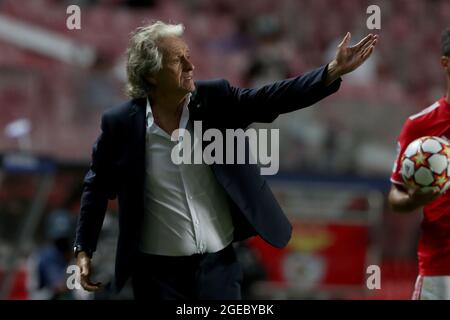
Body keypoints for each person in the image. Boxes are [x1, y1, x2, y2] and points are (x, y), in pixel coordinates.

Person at [74, 21, 377, 300]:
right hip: (156, 273)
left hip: (216, 267)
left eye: (188, 56)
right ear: (152, 74)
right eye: (178, 60)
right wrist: (84, 248)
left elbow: (270, 99)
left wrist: (331, 71)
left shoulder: (214, 99)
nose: (191, 65)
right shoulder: (121, 125)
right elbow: (96, 188)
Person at [388, 27, 450, 300]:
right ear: (446, 63)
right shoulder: (420, 126)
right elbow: (395, 195)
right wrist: (414, 199)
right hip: (441, 271)